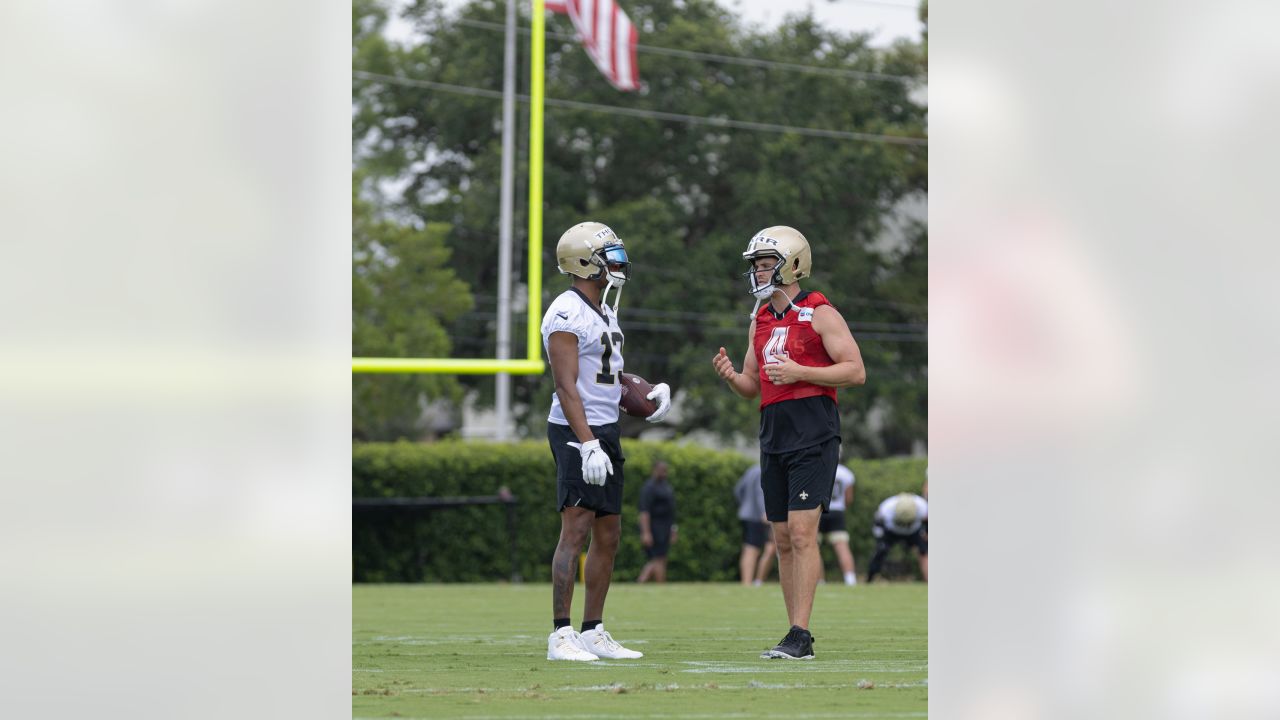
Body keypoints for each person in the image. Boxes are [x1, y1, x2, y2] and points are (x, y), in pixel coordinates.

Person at [711, 226, 866, 660]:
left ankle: (802, 633)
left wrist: (802, 372)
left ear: (792, 265)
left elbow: (855, 371)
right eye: (756, 265)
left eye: (765, 263)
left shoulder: (820, 312)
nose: (759, 272)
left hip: (813, 430)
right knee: (780, 537)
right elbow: (751, 385)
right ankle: (791, 632)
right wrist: (730, 377)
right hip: (773, 432)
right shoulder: (759, 320)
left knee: (801, 533)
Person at [542, 221, 672, 661]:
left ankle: (593, 629)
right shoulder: (566, 311)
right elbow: (565, 386)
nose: (617, 263)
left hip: (606, 429)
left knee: (610, 533)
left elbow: (608, 379)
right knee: (575, 530)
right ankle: (561, 635)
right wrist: (587, 443)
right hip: (575, 431)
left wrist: (647, 393)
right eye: (609, 255)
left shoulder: (605, 309)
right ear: (584, 260)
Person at [866, 492, 928, 583]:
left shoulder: (923, 507)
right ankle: (869, 579)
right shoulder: (886, 509)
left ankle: (929, 582)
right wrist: (880, 540)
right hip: (891, 532)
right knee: (880, 551)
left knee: (924, 551)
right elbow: (877, 526)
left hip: (914, 532)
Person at [734, 464, 775, 586]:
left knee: (749, 548)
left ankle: (749, 582)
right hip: (759, 516)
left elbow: (738, 490)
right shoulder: (766, 470)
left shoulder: (751, 470)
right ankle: (752, 582)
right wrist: (764, 511)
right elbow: (760, 493)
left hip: (746, 514)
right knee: (754, 549)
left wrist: (744, 505)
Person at [818, 463, 858, 586]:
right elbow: (849, 498)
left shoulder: (819, 467)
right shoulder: (846, 473)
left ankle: (819, 580)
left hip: (818, 511)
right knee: (841, 546)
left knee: (812, 547)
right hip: (837, 512)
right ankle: (850, 579)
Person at [637, 461, 677, 583]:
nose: (664, 473)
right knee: (657, 558)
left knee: (661, 557)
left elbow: (672, 510)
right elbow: (644, 511)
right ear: (654, 470)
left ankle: (644, 582)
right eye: (661, 470)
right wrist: (646, 532)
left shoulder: (666, 487)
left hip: (665, 527)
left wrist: (673, 529)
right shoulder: (649, 488)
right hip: (654, 527)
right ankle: (654, 583)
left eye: (665, 470)